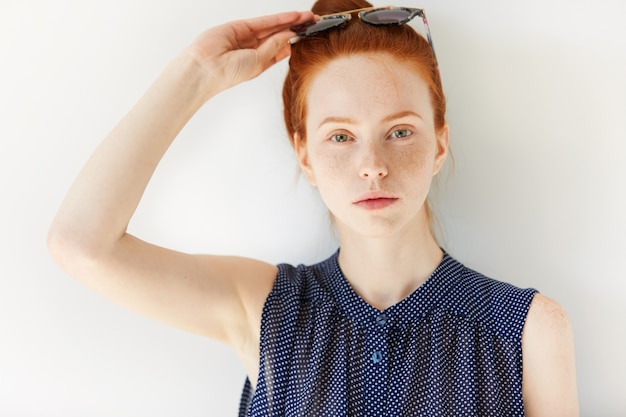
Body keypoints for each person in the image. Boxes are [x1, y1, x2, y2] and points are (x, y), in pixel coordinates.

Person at [47, 0, 579, 415]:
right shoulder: (264, 309)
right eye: (340, 137)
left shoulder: (528, 328)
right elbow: (81, 245)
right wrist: (198, 72)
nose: (372, 164)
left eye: (399, 131)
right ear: (305, 154)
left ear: (440, 143)